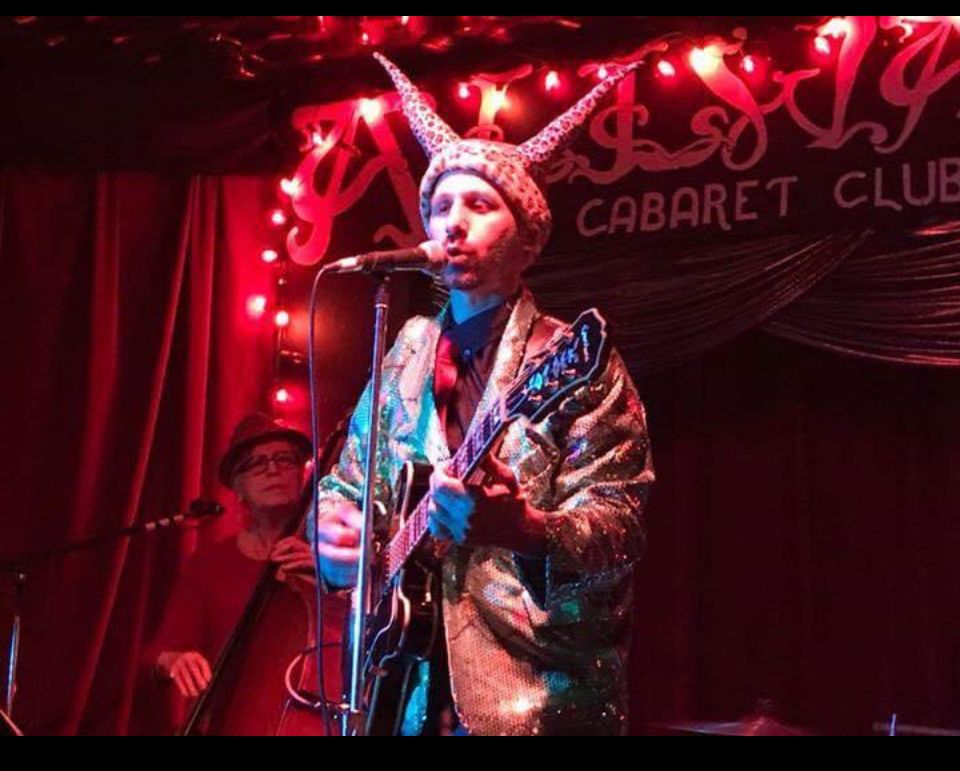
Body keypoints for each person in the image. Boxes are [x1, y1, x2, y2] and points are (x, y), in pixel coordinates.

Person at [314, 54, 654, 736]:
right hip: (402, 684)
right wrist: (332, 535)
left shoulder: (568, 360)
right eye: (440, 206)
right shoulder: (408, 348)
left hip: (530, 690)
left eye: (480, 203)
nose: (453, 222)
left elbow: (621, 527)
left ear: (528, 240)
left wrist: (525, 530)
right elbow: (346, 486)